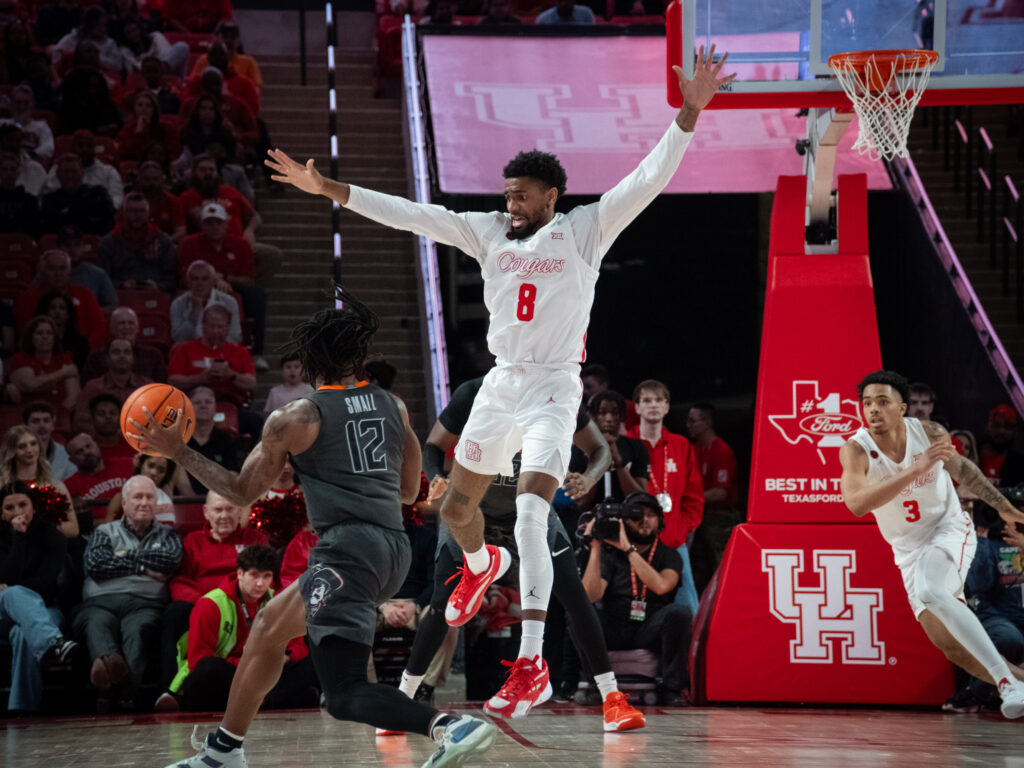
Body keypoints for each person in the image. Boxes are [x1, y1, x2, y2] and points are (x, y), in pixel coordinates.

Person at [265, 46, 734, 717]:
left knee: (534, 516)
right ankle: (481, 565)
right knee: (457, 511)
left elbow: (648, 179)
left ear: (551, 196)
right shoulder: (486, 231)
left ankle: (532, 664)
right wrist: (333, 192)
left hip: (552, 386)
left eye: (521, 193)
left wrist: (689, 112)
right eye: (507, 193)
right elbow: (411, 214)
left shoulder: (583, 230)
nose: (509, 202)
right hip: (500, 386)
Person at [131, 288, 497, 768]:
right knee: (268, 628)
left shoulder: (297, 417)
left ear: (310, 361)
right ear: (356, 356)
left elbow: (240, 492)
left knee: (344, 694)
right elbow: (410, 492)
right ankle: (223, 752)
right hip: (392, 547)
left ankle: (449, 726)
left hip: (347, 551)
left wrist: (177, 450)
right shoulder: (393, 405)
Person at [412, 375, 645, 730]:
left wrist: (589, 478)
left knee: (575, 599)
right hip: (475, 514)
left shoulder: (555, 389)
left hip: (531, 512)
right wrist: (436, 477)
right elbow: (432, 445)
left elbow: (598, 451)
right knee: (442, 603)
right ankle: (406, 693)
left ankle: (612, 697)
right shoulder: (473, 392)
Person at [839, 369, 1024, 718]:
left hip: (949, 528)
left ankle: (1006, 684)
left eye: (882, 402)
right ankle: (1018, 683)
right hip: (908, 551)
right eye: (866, 403)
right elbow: (857, 504)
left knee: (932, 589)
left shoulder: (928, 433)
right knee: (952, 647)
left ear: (902, 408)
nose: (873, 410)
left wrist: (1005, 508)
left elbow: (965, 471)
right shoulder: (856, 449)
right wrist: (914, 469)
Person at [72, 475, 183, 710]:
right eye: (138, 497)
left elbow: (169, 560)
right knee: (96, 623)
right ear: (124, 503)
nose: (144, 502)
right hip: (99, 602)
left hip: (146, 604)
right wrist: (144, 567)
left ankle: (110, 685)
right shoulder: (104, 531)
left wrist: (121, 557)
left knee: (138, 631)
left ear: (156, 502)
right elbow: (96, 565)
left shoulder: (168, 534)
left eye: (149, 497)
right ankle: (122, 687)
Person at [167, 545, 320, 712]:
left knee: (313, 661)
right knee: (207, 670)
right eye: (254, 575)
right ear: (240, 573)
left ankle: (261, 700)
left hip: (265, 673)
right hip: (231, 672)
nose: (260, 583)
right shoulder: (211, 604)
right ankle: (268, 700)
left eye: (266, 576)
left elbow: (297, 646)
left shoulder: (276, 600)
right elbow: (199, 659)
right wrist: (250, 663)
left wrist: (286, 658)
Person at [582, 491, 691, 705]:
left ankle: (672, 689)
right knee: (582, 614)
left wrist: (629, 550)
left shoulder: (669, 554)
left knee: (680, 613)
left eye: (651, 515)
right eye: (636, 515)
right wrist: (595, 548)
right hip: (615, 624)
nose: (644, 520)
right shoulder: (610, 553)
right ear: (624, 521)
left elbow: (661, 586)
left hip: (650, 627)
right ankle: (597, 686)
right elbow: (591, 595)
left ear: (660, 520)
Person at [159, 489, 268, 694]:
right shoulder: (192, 541)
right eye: (218, 510)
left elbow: (261, 578)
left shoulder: (255, 539)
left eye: (230, 509)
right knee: (175, 612)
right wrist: (206, 604)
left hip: (242, 605)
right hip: (202, 606)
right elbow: (181, 580)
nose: (224, 516)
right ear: (206, 512)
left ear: (240, 511)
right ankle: (169, 691)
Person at [0, 481, 78, 714]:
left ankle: (21, 709)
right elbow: (7, 575)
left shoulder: (52, 536)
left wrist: (10, 588)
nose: (17, 513)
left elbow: (46, 584)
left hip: (44, 609)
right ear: (1, 513)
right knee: (13, 595)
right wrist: (18, 538)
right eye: (9, 508)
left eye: (23, 505)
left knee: (22, 632)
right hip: (3, 611)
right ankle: (54, 643)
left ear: (33, 507)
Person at [627, 379, 702, 614]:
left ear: (667, 407)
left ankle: (690, 651)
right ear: (637, 407)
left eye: (659, 400)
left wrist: (683, 528)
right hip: (635, 543)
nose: (653, 405)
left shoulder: (681, 445)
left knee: (687, 605)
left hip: (672, 540)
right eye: (647, 400)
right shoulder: (626, 443)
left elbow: (694, 494)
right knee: (636, 608)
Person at [177, 202, 265, 361]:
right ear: (202, 225)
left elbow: (249, 279)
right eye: (209, 223)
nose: (214, 227)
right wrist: (212, 281)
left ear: (226, 224)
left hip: (232, 287)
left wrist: (223, 278)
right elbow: (183, 277)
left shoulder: (241, 245)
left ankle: (256, 352)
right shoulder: (188, 244)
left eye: (218, 222)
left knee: (256, 294)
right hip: (198, 287)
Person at [686, 401, 740, 594]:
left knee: (723, 566)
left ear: (707, 422)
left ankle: (729, 602)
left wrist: (688, 498)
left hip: (720, 519)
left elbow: (721, 492)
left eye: (693, 421)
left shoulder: (721, 450)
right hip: (699, 517)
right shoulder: (693, 450)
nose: (688, 425)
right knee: (697, 568)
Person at [167, 304, 256, 410]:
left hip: (230, 402)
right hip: (193, 402)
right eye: (212, 326)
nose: (216, 331)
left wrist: (230, 375)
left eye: (220, 326)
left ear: (228, 327)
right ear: (203, 325)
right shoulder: (185, 348)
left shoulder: (240, 351)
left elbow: (251, 383)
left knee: (254, 421)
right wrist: (200, 378)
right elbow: (172, 380)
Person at [14, 249, 107, 349]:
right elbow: (26, 333)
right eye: (52, 268)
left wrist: (83, 350)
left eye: (63, 268)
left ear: (69, 271)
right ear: (41, 271)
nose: (58, 273)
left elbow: (99, 330)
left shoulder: (85, 294)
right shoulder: (28, 298)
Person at [572, 390, 648, 509]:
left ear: (622, 416)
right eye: (602, 413)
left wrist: (619, 463)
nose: (609, 418)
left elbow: (641, 500)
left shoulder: (637, 447)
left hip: (627, 520)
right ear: (592, 416)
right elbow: (581, 501)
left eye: (615, 413)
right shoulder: (578, 449)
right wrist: (597, 461)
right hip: (590, 519)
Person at [0, 425, 78, 538]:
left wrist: (39, 528)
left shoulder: (56, 486)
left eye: (33, 444)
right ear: (12, 451)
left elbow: (73, 529)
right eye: (22, 446)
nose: (29, 450)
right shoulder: (2, 485)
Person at [98, 191, 178, 292]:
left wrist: (159, 286)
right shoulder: (109, 243)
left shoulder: (163, 241)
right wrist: (121, 285)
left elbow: (172, 278)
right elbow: (102, 279)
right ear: (124, 212)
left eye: (142, 211)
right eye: (132, 211)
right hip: (121, 295)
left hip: (155, 296)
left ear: (148, 213)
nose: (138, 215)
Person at [5, 315, 81, 413]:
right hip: (25, 415)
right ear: (31, 337)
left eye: (49, 333)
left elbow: (73, 396)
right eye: (39, 333)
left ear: (54, 338)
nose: (45, 336)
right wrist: (63, 373)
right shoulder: (20, 359)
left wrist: (57, 416)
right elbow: (30, 385)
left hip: (59, 414)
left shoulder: (64, 359)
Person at [64, 432, 134, 526]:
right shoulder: (69, 487)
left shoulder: (127, 464)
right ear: (72, 460)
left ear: (97, 445)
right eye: (79, 451)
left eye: (88, 446)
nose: (86, 452)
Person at [82, 306, 167, 382]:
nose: (126, 327)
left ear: (137, 328)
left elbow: (162, 388)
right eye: (121, 323)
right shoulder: (96, 358)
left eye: (131, 323)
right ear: (112, 328)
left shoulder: (153, 356)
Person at [42, 130, 124, 208]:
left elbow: (117, 198)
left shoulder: (109, 171)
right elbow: (48, 193)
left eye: (89, 146)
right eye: (80, 145)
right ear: (72, 148)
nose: (85, 149)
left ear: (94, 149)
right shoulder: (58, 169)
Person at [39, 154, 116, 236]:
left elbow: (107, 224)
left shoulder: (99, 194)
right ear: (58, 174)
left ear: (82, 173)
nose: (70, 176)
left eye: (74, 172)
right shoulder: (49, 200)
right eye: (66, 172)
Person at [171, 259, 243, 344]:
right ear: (188, 283)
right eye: (195, 279)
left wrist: (209, 346)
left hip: (220, 350)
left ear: (213, 282)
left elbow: (235, 337)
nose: (199, 283)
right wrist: (194, 314)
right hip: (191, 352)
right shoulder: (177, 304)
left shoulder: (229, 302)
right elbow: (178, 339)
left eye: (205, 279)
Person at [185, 385, 241, 494]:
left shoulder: (227, 441)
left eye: (208, 402)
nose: (203, 406)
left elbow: (235, 475)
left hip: (220, 498)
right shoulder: (181, 441)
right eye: (197, 403)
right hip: (187, 499)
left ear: (215, 407)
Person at [105, 451, 186, 525]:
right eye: (150, 466)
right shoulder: (120, 498)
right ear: (140, 464)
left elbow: (176, 455)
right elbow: (108, 530)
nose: (154, 472)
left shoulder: (167, 490)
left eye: (161, 470)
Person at [77, 339, 153, 416]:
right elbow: (82, 421)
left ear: (133, 358)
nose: (122, 356)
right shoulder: (93, 388)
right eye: (116, 352)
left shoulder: (147, 386)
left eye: (127, 352)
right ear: (107, 358)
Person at [60, 224, 117, 311]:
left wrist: (90, 312)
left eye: (77, 244)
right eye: (67, 245)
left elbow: (112, 306)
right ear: (59, 248)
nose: (72, 249)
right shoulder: (49, 273)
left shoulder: (99, 274)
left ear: (83, 247)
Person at [189, 21, 263, 87]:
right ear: (217, 39)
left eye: (232, 37)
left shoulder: (248, 62)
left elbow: (255, 89)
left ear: (238, 41)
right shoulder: (204, 59)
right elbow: (193, 85)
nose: (228, 41)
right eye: (225, 37)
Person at [36, 290, 91, 371]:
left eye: (62, 308)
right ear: (45, 311)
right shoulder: (36, 339)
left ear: (68, 314)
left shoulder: (80, 342)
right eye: (52, 307)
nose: (57, 312)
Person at [22, 402, 76, 481]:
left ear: (53, 425)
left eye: (46, 421)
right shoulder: (12, 453)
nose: (42, 425)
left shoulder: (65, 455)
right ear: (25, 426)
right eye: (36, 421)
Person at [137, 160, 187, 241]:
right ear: (139, 180)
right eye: (147, 179)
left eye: (155, 179)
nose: (152, 183)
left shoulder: (173, 201)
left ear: (162, 180)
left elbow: (181, 231)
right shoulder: (130, 201)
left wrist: (163, 244)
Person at [980, 405, 1024, 488]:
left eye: (1007, 426)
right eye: (996, 425)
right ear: (987, 426)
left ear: (1015, 431)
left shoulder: (1020, 465)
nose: (1001, 431)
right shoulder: (971, 455)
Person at [0, 152, 41, 238]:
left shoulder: (30, 201)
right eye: (4, 169)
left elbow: (34, 229)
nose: (9, 173)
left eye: (13, 169)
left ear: (18, 171)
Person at [86, 393, 136, 463]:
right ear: (91, 418)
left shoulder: (134, 447)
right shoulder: (84, 450)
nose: (108, 417)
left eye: (113, 413)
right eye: (101, 413)